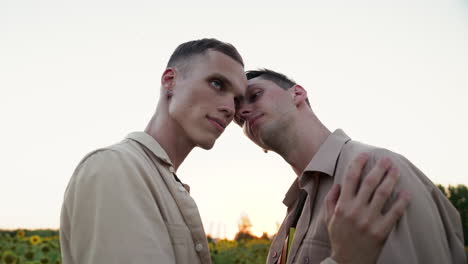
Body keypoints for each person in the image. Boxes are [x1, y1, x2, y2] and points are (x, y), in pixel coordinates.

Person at [60, 39, 408, 264]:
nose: (232, 108)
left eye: (240, 98)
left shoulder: (168, 187)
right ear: (170, 81)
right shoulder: (115, 169)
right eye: (217, 84)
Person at [235, 68, 466, 264]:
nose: (243, 112)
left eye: (255, 95)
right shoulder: (292, 214)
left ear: (297, 93)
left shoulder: (373, 171)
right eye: (239, 120)